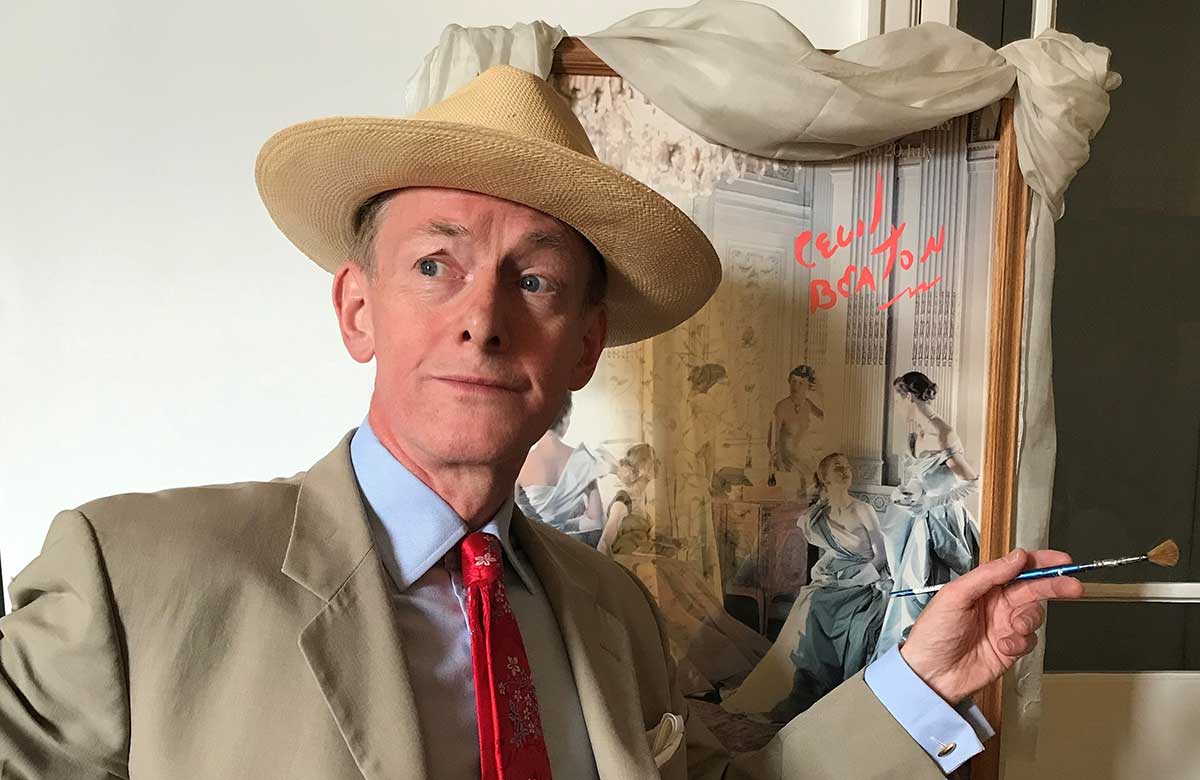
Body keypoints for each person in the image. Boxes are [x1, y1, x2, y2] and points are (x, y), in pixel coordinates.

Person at [0, 65, 1081, 779]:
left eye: (535, 281)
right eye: (436, 265)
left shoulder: (611, 607)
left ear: (584, 346)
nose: (482, 319)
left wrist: (920, 682)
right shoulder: (131, 578)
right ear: (358, 309)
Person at [721, 453, 889, 720]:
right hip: (831, 579)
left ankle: (825, 687)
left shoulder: (862, 510)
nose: (845, 470)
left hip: (863, 580)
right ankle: (797, 685)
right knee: (808, 604)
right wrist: (826, 575)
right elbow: (828, 553)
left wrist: (855, 579)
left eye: (847, 466)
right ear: (824, 477)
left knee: (827, 609)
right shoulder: (818, 515)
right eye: (838, 467)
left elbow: (881, 556)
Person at [874, 371, 983, 661]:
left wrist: (932, 502)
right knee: (909, 587)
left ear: (909, 398)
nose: (897, 406)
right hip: (919, 520)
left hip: (944, 521)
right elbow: (921, 480)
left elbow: (972, 482)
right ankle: (908, 656)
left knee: (926, 587)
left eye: (898, 399)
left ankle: (936, 653)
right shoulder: (917, 435)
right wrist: (903, 494)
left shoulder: (942, 433)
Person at [516, 391, 606, 545]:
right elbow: (596, 520)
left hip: (533, 548)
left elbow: (513, 519)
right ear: (565, 418)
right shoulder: (583, 460)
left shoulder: (520, 461)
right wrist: (562, 526)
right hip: (568, 548)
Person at [767, 365, 826, 499]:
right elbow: (772, 441)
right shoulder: (781, 407)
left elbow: (827, 419)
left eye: (801, 383)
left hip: (807, 463)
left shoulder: (808, 405)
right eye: (793, 381)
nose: (796, 386)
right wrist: (780, 467)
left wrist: (821, 393)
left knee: (812, 496)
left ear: (808, 386)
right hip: (786, 464)